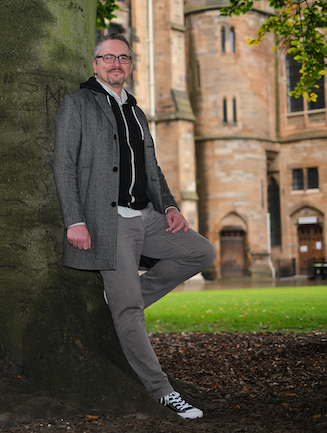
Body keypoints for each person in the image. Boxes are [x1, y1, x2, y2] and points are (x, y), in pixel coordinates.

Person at [53, 33, 215, 419]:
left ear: (130, 64)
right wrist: (75, 220)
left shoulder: (137, 112)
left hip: (147, 216)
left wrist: (171, 206)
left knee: (200, 251)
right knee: (130, 315)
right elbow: (63, 164)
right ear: (95, 65)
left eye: (123, 58)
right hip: (108, 222)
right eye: (107, 58)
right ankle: (162, 391)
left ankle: (127, 299)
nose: (115, 64)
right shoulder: (78, 104)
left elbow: (152, 169)